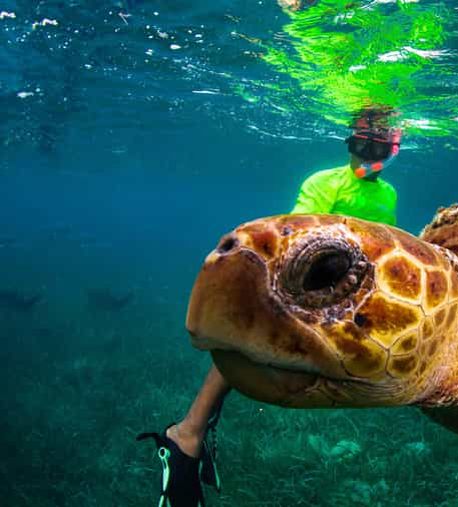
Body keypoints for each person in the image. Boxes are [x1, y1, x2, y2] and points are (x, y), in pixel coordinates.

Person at [138, 113, 401, 507]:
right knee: (250, 341)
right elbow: (297, 235)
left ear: (392, 150)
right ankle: (186, 434)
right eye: (361, 145)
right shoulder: (323, 183)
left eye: (378, 148)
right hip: (308, 284)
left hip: (352, 296)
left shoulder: (389, 195)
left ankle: (192, 430)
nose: (368, 156)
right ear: (349, 144)